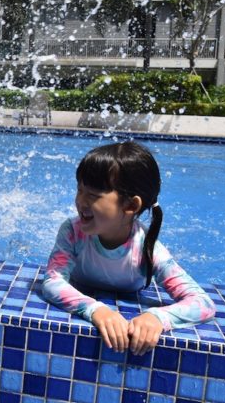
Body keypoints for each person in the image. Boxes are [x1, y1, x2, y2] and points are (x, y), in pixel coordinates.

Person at [42, 141, 215, 356]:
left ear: (131, 206)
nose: (80, 201)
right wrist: (95, 310)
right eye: (79, 190)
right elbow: (52, 281)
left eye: (93, 195)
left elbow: (203, 302)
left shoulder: (146, 249)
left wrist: (157, 317)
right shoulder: (72, 231)